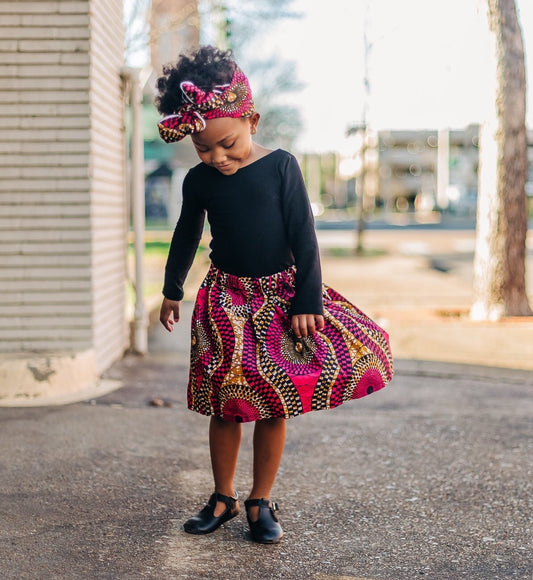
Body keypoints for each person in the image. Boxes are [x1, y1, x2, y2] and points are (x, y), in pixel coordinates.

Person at [156, 46, 393, 544]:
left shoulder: (282, 166)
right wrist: (172, 290)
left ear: (252, 121)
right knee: (226, 404)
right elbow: (186, 234)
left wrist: (309, 301)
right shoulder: (199, 181)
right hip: (226, 302)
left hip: (279, 299)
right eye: (204, 149)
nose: (218, 157)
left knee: (273, 401)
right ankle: (223, 497)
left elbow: (304, 235)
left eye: (228, 143)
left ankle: (260, 501)